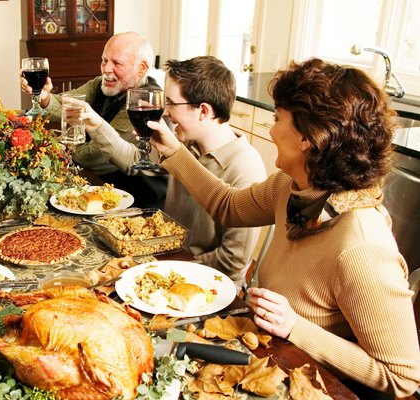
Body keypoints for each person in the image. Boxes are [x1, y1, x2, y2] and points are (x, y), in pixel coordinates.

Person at [150, 58, 420, 397]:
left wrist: (296, 327)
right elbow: (228, 206)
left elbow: (403, 377)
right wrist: (174, 151)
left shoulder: (361, 246)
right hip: (271, 355)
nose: (270, 129)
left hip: (312, 382)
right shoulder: (292, 185)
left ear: (308, 137)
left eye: (278, 118)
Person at [70, 56, 266, 290]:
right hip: (165, 262)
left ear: (203, 110)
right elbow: (135, 162)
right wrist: (96, 125)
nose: (165, 113)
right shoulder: (186, 146)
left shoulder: (245, 169)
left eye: (172, 103)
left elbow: (232, 262)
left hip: (204, 286)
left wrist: (164, 265)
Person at [21, 31, 168, 209]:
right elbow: (65, 104)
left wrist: (63, 145)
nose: (106, 69)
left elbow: (96, 156)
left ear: (142, 68)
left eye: (117, 63)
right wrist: (44, 96)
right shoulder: (101, 84)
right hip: (97, 190)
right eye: (104, 60)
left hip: (137, 205)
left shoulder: (145, 103)